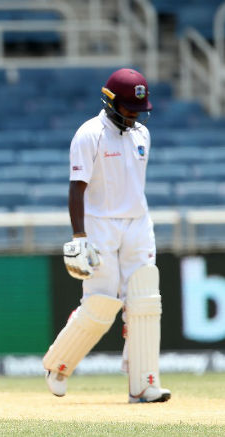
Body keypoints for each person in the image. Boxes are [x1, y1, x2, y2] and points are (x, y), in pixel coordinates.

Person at [42, 68, 171, 403]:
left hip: (138, 223)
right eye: (129, 108)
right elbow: (77, 188)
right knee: (100, 304)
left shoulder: (142, 134)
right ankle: (58, 365)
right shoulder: (90, 135)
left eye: (139, 109)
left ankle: (143, 383)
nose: (134, 116)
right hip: (99, 225)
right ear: (110, 101)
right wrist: (79, 236)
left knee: (144, 300)